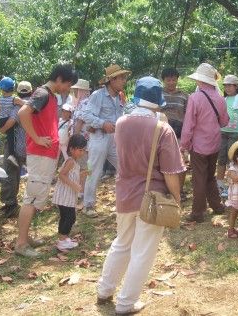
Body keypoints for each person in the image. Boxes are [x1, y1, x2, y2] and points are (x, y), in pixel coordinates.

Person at [97, 77, 184, 315]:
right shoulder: (162, 129)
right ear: (158, 101)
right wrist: (176, 199)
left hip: (124, 194)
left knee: (121, 243)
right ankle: (126, 303)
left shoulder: (122, 122)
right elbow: (170, 172)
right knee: (143, 251)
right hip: (152, 198)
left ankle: (104, 290)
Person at [15, 64, 78, 258]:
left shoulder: (50, 96)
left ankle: (27, 237)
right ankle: (21, 243)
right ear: (59, 79)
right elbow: (22, 113)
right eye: (68, 84)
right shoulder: (42, 94)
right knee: (32, 198)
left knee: (37, 197)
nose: (68, 89)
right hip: (40, 154)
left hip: (47, 154)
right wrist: (36, 138)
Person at [181, 62, 229, 223]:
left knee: (199, 178)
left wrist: (184, 145)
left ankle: (197, 212)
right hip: (215, 142)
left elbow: (188, 125)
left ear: (199, 80)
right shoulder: (221, 98)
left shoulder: (194, 98)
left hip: (199, 145)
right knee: (210, 176)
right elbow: (224, 122)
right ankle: (216, 206)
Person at [81, 64, 130, 218]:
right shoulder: (98, 95)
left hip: (115, 139)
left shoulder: (120, 97)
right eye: (121, 78)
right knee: (94, 172)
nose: (124, 81)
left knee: (125, 168)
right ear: (112, 80)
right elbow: (86, 115)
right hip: (99, 138)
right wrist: (103, 124)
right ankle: (88, 205)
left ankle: (127, 201)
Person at [0, 81, 33, 219]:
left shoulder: (17, 106)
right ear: (31, 91)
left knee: (10, 174)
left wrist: (2, 128)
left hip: (17, 147)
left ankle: (10, 204)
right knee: (35, 176)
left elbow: (9, 124)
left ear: (17, 92)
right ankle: (33, 204)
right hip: (33, 146)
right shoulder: (35, 105)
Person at [53, 134, 87, 251]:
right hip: (64, 196)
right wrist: (74, 185)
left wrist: (82, 174)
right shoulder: (71, 161)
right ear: (71, 149)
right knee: (69, 217)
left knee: (67, 217)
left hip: (67, 196)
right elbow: (61, 175)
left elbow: (72, 176)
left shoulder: (74, 162)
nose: (82, 153)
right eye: (79, 150)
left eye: (83, 150)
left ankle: (64, 238)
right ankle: (62, 240)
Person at [161, 67, 189, 198]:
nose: (171, 82)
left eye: (174, 79)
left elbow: (188, 115)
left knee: (181, 161)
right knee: (162, 161)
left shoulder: (184, 95)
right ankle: (163, 189)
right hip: (161, 134)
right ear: (163, 80)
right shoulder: (158, 94)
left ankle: (180, 190)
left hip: (179, 133)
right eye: (168, 80)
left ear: (177, 79)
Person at [217, 75, 238, 195]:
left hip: (235, 132)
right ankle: (219, 185)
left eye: (230, 85)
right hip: (222, 131)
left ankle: (232, 184)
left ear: (236, 86)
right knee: (221, 158)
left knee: (232, 158)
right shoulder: (223, 99)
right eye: (225, 85)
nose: (227, 88)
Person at [0, 76, 24, 167]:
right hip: (7, 119)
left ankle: (12, 155)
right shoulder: (14, 99)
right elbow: (25, 104)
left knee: (10, 135)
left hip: (1, 121)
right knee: (13, 134)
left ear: (2, 89)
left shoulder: (0, 98)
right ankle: (12, 155)